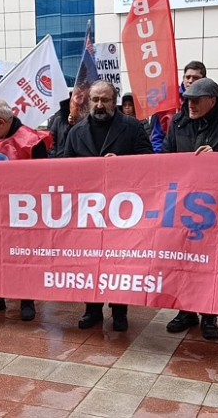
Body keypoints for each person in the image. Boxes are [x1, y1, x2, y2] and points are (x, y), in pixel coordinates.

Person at [162, 77, 218, 340]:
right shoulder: (178, 123)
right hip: (184, 203)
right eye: (188, 100)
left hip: (216, 204)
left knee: (212, 261)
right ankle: (185, 310)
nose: (191, 105)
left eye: (197, 100)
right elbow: (165, 157)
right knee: (183, 259)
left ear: (212, 101)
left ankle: (209, 315)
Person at [64, 80, 154, 331]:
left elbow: (149, 160)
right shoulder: (76, 132)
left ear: (114, 101)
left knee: (119, 261)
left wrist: (122, 164)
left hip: (122, 209)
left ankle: (120, 312)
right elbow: (64, 168)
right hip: (88, 210)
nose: (100, 105)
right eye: (95, 100)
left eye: (105, 100)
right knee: (90, 261)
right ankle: (92, 310)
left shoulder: (132, 127)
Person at [0, 98, 52, 321]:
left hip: (23, 209)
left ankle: (27, 299)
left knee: (23, 254)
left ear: (1, 122)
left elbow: (44, 176)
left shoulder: (31, 141)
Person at [151, 61, 206, 153]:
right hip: (171, 156)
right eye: (188, 77)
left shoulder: (209, 101)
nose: (190, 81)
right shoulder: (167, 101)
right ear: (183, 78)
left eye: (195, 78)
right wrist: (160, 157)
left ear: (204, 79)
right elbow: (157, 137)